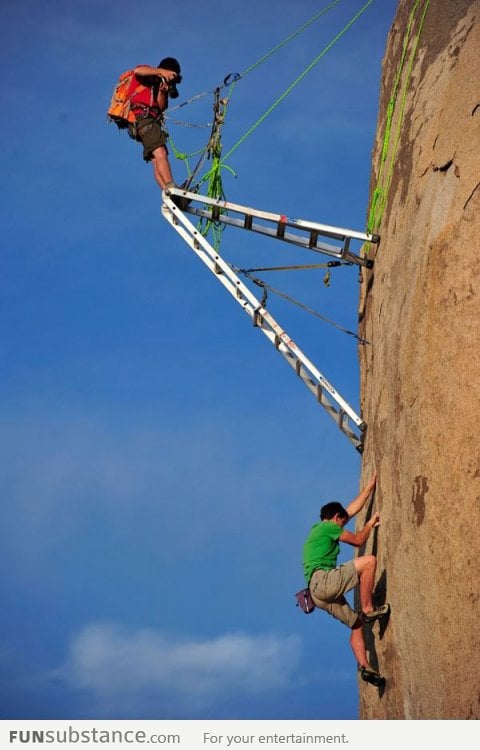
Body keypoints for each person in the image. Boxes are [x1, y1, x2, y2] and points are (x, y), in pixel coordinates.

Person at [302, 474, 389, 685]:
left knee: (356, 625)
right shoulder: (329, 527)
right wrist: (370, 524)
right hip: (324, 581)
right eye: (342, 522)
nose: (343, 525)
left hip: (317, 594)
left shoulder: (320, 529)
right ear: (334, 519)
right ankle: (369, 609)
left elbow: (349, 511)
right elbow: (359, 540)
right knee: (369, 562)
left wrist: (369, 488)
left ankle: (365, 667)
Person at [127, 57, 188, 205]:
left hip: (145, 122)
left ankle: (169, 195)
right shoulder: (148, 72)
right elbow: (137, 70)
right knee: (161, 153)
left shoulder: (157, 85)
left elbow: (160, 108)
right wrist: (161, 72)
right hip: (142, 119)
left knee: (156, 159)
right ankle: (171, 187)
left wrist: (162, 92)